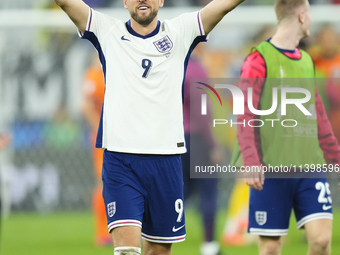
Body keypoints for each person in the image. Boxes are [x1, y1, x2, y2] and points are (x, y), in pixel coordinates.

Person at [53, 0, 246, 254]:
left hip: (166, 160)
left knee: (159, 250)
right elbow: (67, 4)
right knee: (127, 249)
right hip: (121, 160)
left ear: (161, 1)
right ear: (125, 2)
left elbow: (221, 7)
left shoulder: (181, 31)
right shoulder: (107, 30)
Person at [230, 0, 340, 255]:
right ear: (302, 16)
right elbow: (246, 114)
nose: (311, 19)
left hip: (309, 167)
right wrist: (251, 160)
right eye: (310, 13)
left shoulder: (306, 61)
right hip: (272, 170)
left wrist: (335, 158)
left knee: (322, 240)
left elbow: (319, 117)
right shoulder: (258, 59)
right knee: (270, 248)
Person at [182, 49, 222, 255]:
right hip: (196, 139)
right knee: (208, 192)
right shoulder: (196, 70)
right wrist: (212, 144)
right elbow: (201, 112)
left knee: (179, 193)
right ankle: (209, 245)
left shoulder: (176, 69)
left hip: (177, 140)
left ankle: (153, 235)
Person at [81, 53, 112, 246]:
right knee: (104, 181)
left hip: (122, 136)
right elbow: (84, 106)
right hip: (105, 138)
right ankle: (102, 232)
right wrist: (101, 131)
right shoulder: (94, 75)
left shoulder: (114, 72)